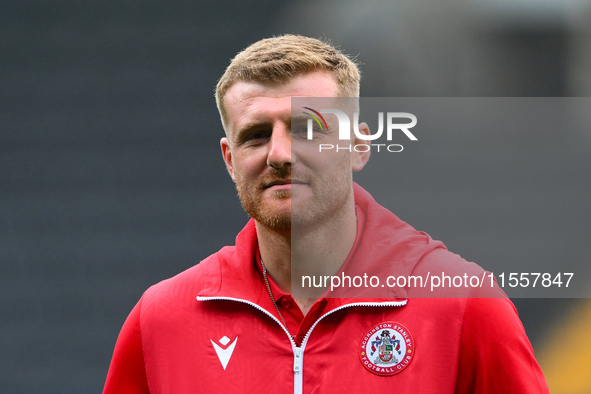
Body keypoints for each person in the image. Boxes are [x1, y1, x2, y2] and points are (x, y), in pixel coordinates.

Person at [104, 35, 549, 393]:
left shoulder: (463, 305)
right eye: (257, 136)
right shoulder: (161, 320)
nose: (280, 154)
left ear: (358, 147)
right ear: (229, 159)